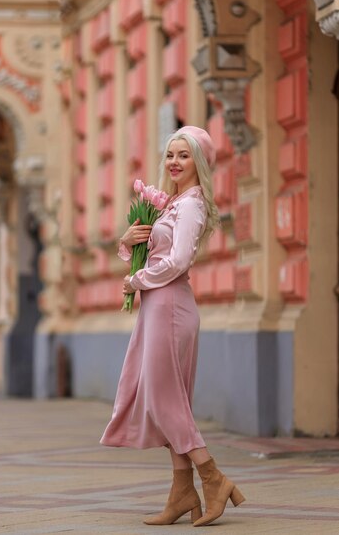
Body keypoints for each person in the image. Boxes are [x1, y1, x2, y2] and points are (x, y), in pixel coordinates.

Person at [100, 125, 245, 527]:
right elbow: (152, 251)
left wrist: (136, 281)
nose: (174, 162)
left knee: (164, 400)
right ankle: (182, 492)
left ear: (198, 162)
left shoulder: (193, 205)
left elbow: (177, 261)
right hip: (158, 308)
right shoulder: (171, 205)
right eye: (170, 155)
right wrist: (128, 242)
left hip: (170, 307)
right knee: (163, 398)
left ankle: (213, 477)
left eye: (183, 155)